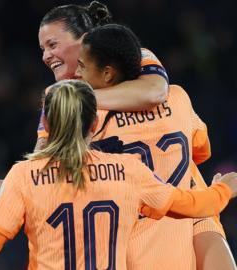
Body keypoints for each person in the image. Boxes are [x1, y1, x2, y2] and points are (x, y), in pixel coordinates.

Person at [36, 2, 234, 269]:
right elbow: (199, 148)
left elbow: (39, 174)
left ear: (84, 41)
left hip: (131, 233)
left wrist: (74, 99)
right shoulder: (178, 98)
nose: (46, 56)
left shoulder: (67, 101)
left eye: (52, 44)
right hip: (189, 209)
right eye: (43, 49)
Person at [0, 79, 237, 269]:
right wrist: (223, 189)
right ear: (94, 123)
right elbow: (193, 205)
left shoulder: (23, 175)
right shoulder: (127, 169)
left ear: (46, 124)